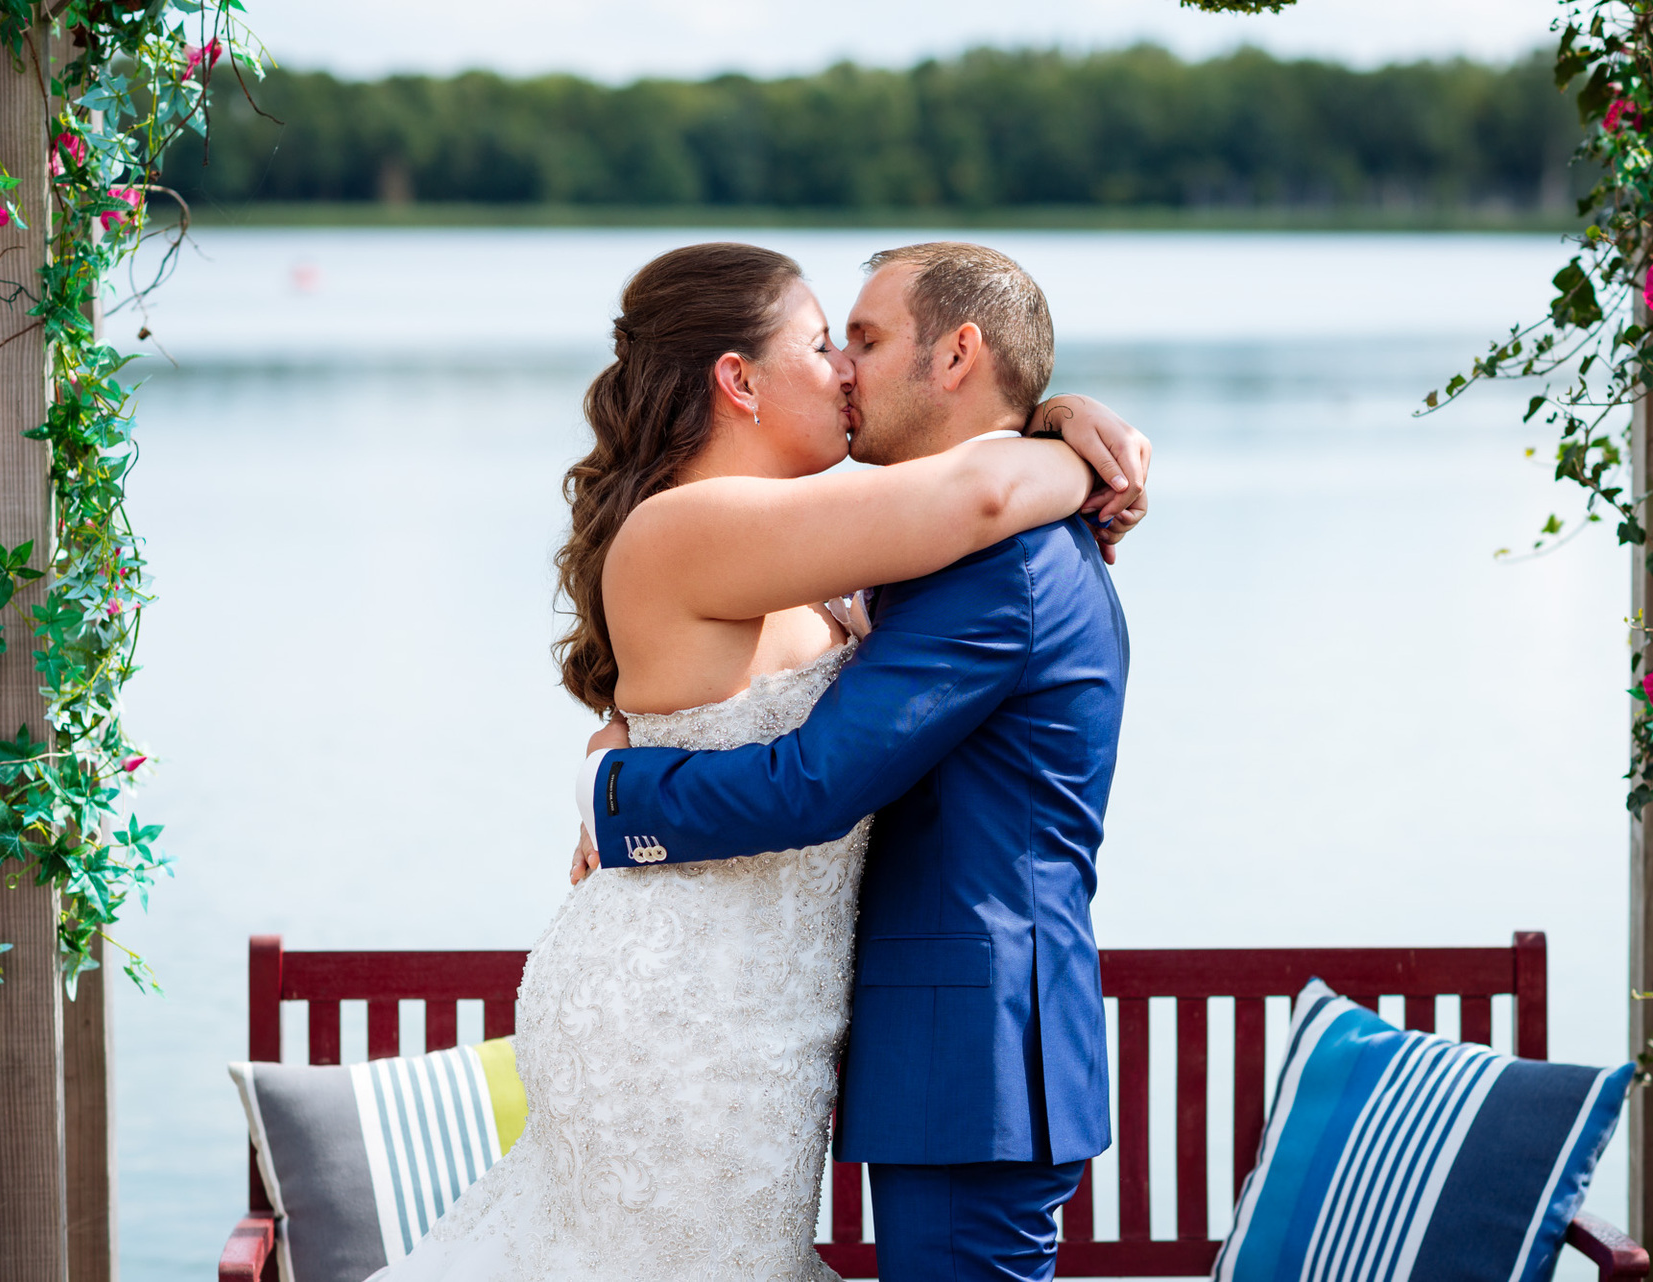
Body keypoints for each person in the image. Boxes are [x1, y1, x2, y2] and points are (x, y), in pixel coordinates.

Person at [370, 240, 1146, 1281]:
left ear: (957, 356)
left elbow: (815, 770)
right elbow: (968, 509)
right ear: (737, 379)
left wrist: (619, 788)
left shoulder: (970, 561)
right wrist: (1069, 438)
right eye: (826, 342)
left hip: (937, 1041)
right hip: (699, 1009)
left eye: (858, 341)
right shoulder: (774, 533)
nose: (843, 371)